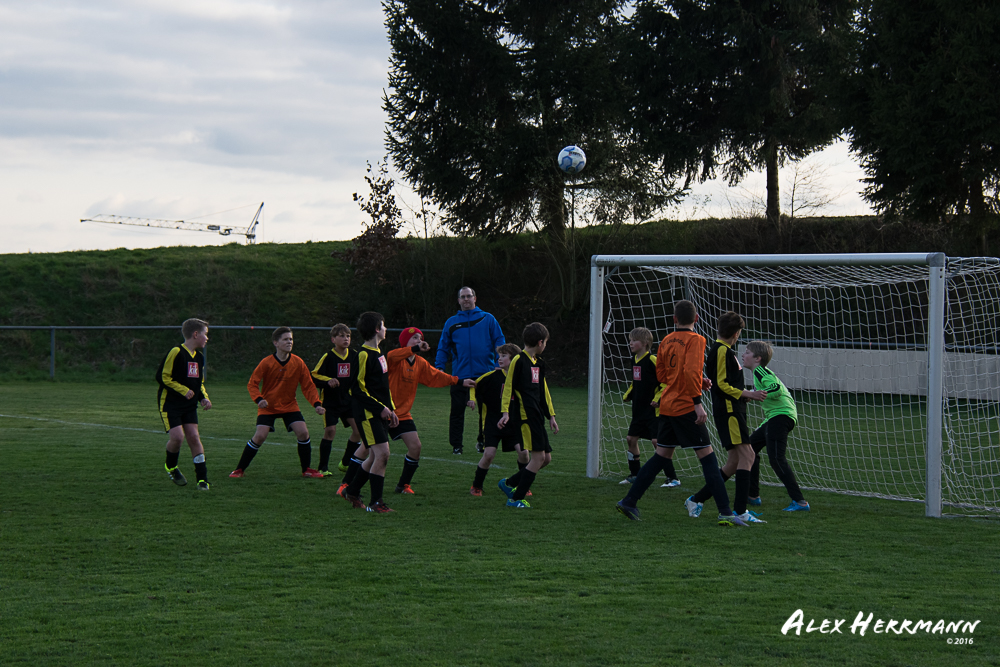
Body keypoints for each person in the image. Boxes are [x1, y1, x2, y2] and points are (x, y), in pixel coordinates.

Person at [615, 300, 748, 526]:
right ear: (696, 319)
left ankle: (629, 501)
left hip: (667, 405)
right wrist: (697, 402)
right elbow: (690, 370)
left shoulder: (666, 340)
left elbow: (662, 375)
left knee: (661, 456)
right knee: (708, 458)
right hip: (686, 406)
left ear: (674, 319)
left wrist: (696, 380)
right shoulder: (697, 340)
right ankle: (725, 512)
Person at [683, 312, 767, 523]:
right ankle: (740, 511)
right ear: (737, 333)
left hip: (733, 409)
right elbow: (720, 384)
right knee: (748, 455)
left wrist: (742, 396)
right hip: (729, 412)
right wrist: (747, 394)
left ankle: (696, 499)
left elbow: (727, 384)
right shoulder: (721, 350)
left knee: (734, 461)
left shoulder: (726, 351)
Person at [385, 326, 476, 494]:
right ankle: (348, 484)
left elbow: (436, 376)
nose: (419, 340)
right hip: (384, 411)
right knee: (371, 451)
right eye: (415, 338)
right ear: (405, 342)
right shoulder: (395, 358)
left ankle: (403, 486)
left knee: (415, 447)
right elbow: (391, 355)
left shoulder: (419, 362)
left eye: (420, 338)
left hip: (403, 413)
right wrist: (414, 348)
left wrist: (459, 381)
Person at [230, 327, 326, 479]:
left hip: (289, 405)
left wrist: (317, 404)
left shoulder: (298, 362)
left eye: (291, 339)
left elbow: (308, 386)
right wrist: (259, 399)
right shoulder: (266, 363)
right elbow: (252, 384)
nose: (289, 342)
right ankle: (239, 470)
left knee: (303, 433)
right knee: (260, 436)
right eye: (285, 339)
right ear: (276, 343)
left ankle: (307, 469)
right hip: (268, 407)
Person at [435, 286, 505, 454]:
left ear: (475, 298)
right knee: (457, 412)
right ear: (458, 300)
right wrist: (439, 367)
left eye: (469, 296)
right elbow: (443, 347)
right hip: (460, 375)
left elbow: (499, 340)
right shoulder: (451, 322)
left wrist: (499, 362)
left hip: (486, 374)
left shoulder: (488, 318)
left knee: (486, 412)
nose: (466, 299)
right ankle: (456, 446)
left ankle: (484, 441)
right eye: (463, 297)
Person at [742, 340, 810, 512]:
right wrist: (754, 394)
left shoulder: (760, 371)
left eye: (747, 352)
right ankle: (753, 496)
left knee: (776, 459)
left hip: (781, 416)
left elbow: (776, 388)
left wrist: (757, 394)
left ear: (757, 358)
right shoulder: (759, 372)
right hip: (774, 417)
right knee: (749, 450)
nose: (743, 355)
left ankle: (800, 502)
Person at [342, 312, 399, 513]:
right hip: (367, 414)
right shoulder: (363, 354)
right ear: (376, 329)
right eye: (383, 325)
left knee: (375, 456)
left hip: (380, 412)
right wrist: (380, 408)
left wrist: (391, 409)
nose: (385, 329)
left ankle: (352, 491)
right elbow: (357, 389)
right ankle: (376, 503)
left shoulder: (380, 353)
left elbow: (383, 387)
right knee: (382, 454)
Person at [497, 322, 558, 508]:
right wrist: (505, 412)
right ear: (540, 342)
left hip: (537, 416)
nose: (545, 345)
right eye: (545, 342)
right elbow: (508, 388)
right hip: (525, 417)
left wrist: (551, 416)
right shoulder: (518, 360)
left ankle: (509, 483)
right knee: (538, 459)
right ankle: (515, 499)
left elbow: (543, 392)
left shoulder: (538, 363)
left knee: (546, 459)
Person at [156, 318, 213, 491]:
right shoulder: (176, 352)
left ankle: (202, 479)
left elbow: (198, 383)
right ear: (195, 334)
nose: (207, 338)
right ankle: (171, 466)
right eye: (205, 334)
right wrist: (183, 390)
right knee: (178, 438)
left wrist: (203, 398)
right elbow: (163, 377)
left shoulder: (200, 357)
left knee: (194, 437)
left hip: (189, 405)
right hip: (171, 404)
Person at [620, 327, 677, 487]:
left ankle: (672, 478)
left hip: (653, 411)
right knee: (631, 439)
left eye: (634, 340)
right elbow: (635, 382)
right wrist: (628, 394)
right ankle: (635, 474)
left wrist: (658, 398)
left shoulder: (653, 360)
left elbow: (666, 382)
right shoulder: (634, 360)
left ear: (645, 343)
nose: (631, 343)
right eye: (630, 340)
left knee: (657, 442)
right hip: (638, 410)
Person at [469, 343, 526, 496]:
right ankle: (476, 486)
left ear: (514, 359)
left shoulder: (520, 378)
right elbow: (473, 385)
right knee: (488, 455)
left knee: (524, 453)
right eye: (499, 356)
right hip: (493, 423)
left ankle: (523, 485)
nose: (499, 359)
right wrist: (472, 399)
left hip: (514, 424)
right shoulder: (491, 377)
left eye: (504, 356)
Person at [310, 323, 362, 477]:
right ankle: (323, 468)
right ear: (333, 339)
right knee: (330, 431)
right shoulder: (328, 357)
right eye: (341, 336)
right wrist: (328, 381)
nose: (346, 339)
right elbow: (313, 375)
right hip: (330, 402)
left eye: (348, 336)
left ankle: (345, 463)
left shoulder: (355, 355)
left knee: (358, 431)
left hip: (348, 401)